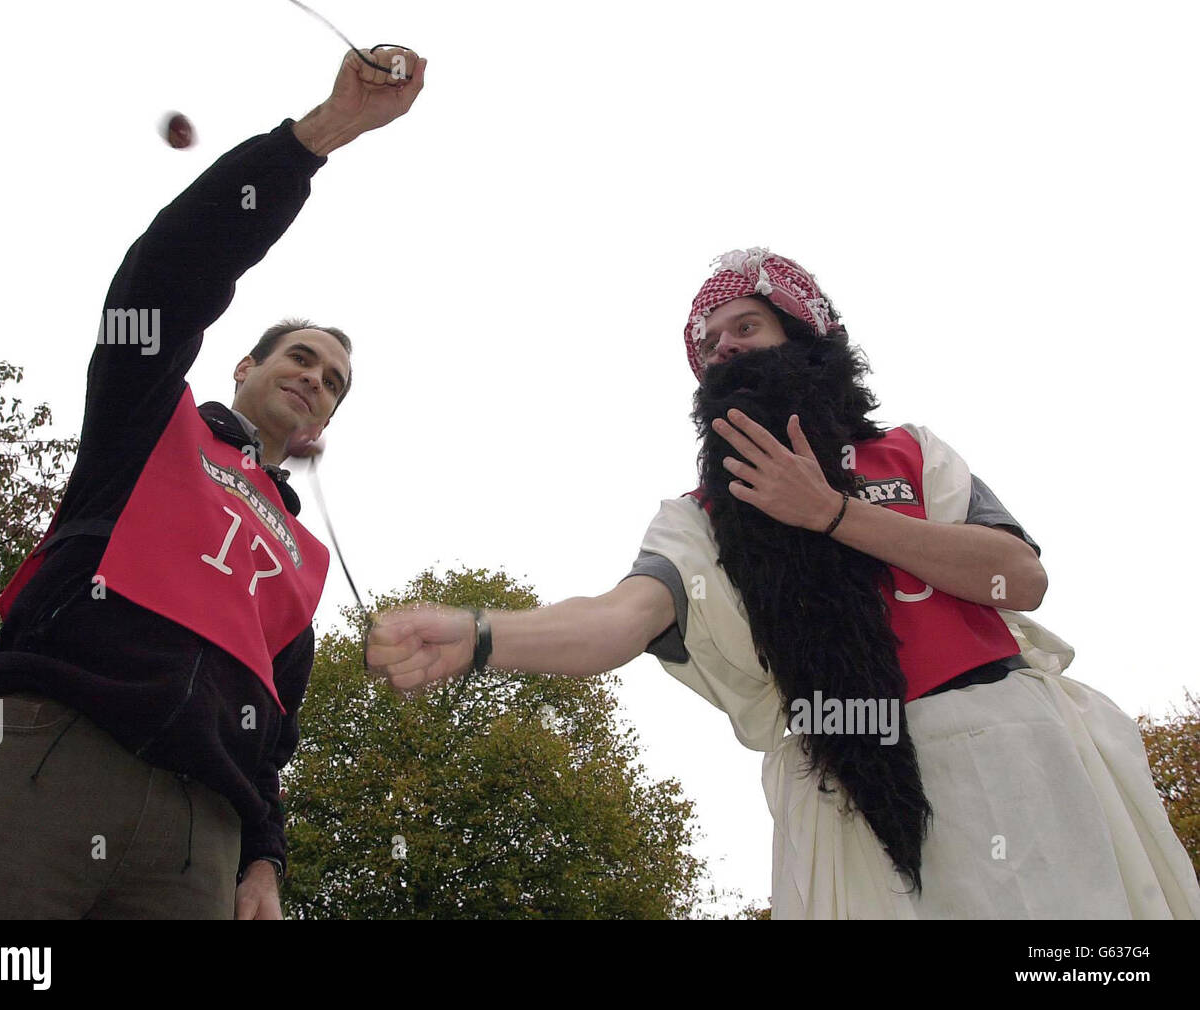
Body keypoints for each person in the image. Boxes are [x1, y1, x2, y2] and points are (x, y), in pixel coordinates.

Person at [366, 246, 1200, 919]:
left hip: (1014, 754)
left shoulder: (908, 453)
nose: (722, 347)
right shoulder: (697, 516)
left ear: (808, 339)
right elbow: (619, 620)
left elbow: (1017, 579)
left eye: (745, 326)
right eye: (708, 343)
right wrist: (482, 635)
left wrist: (832, 514)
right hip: (842, 798)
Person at [0, 46, 426, 919]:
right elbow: (164, 278)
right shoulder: (149, 419)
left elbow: (272, 736)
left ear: (326, 424)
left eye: (333, 381)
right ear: (245, 364)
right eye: (301, 358)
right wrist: (322, 135)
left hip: (196, 843)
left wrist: (263, 860)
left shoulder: (300, 558)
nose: (314, 379)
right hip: (45, 760)